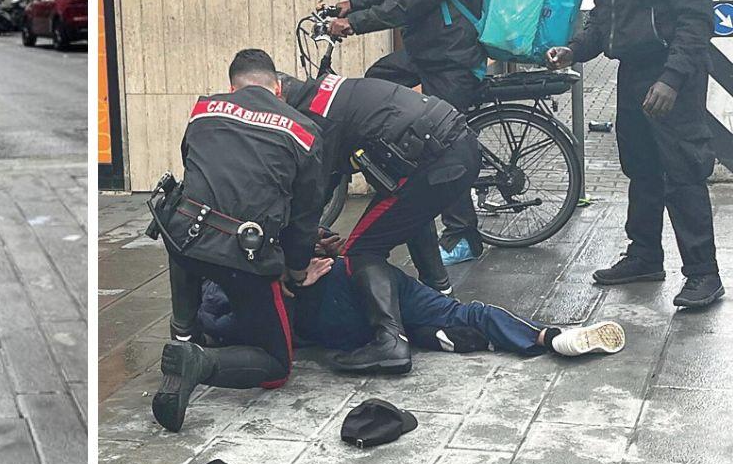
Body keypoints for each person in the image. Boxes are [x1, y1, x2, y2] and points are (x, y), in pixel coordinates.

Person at [547, 0, 724, 308]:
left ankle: (704, 273)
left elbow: (695, 22)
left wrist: (672, 79)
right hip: (632, 73)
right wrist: (575, 48)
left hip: (672, 75)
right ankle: (644, 255)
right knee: (640, 168)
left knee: (683, 171)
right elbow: (604, 17)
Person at [148, 49, 328, 433]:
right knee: (277, 364)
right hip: (246, 255)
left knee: (189, 280)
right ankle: (198, 362)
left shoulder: (203, 110)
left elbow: (194, 167)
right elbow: (304, 217)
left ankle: (183, 338)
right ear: (278, 88)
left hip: (183, 239)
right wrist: (294, 272)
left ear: (232, 87)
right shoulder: (304, 130)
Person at [280, 71, 480, 374]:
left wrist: (296, 258)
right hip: (457, 145)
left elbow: (313, 194)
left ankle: (390, 342)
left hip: (436, 159)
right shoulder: (327, 92)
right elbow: (331, 177)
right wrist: (309, 237)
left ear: (280, 94)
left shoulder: (316, 116)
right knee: (408, 217)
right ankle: (442, 299)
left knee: (362, 249)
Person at [329, 0, 487, 266]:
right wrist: (355, 2)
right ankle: (397, 158)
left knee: (444, 146)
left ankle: (463, 235)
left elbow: (407, 4)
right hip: (428, 54)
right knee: (378, 78)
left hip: (451, 60)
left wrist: (353, 24)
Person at [201, 257, 627, 360]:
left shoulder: (220, 295)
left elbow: (215, 321)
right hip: (354, 294)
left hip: (348, 294)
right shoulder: (223, 296)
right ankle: (548, 336)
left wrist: (302, 263)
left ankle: (549, 337)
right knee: (464, 314)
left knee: (459, 315)